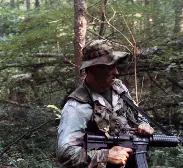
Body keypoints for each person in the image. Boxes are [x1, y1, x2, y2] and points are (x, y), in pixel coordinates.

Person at [57, 40, 154, 168]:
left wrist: (144, 125)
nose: (116, 72)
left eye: (115, 66)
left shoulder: (119, 88)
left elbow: (137, 117)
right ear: (92, 69)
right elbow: (65, 154)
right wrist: (105, 155)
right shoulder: (77, 106)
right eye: (109, 67)